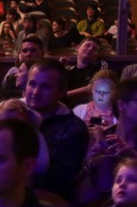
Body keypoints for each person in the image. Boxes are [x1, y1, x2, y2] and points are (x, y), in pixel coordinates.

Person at [24, 59, 89, 198]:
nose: (36, 92)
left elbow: (59, 182)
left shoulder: (73, 129)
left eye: (45, 87)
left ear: (61, 92)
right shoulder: (10, 110)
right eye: (32, 84)